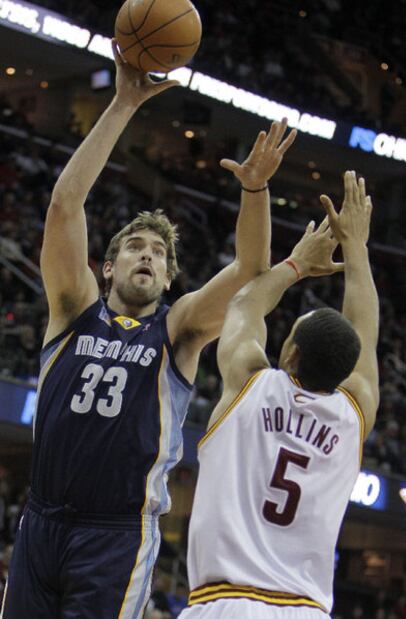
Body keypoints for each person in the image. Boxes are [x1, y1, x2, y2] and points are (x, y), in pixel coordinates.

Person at [0, 40, 297, 619]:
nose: (147, 256)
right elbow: (65, 205)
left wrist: (255, 191)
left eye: (159, 253)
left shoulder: (179, 328)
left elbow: (250, 270)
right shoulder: (72, 309)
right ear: (106, 266)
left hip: (116, 535)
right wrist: (123, 104)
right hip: (41, 521)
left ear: (168, 275)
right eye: (134, 246)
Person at [179, 171, 379, 618]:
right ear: (348, 370)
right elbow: (364, 334)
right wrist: (358, 250)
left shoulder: (250, 382)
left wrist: (297, 265)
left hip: (224, 601)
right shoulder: (355, 411)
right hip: (306, 609)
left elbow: (244, 305)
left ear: (288, 352)